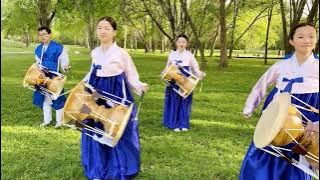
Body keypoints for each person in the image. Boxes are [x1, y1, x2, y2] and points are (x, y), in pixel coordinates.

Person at [239, 22, 319, 180]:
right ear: (291, 41)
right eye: (301, 36)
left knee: (303, 152)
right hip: (279, 107)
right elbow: (261, 84)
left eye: (311, 36)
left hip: (309, 108)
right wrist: (250, 106)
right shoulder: (281, 65)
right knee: (268, 146)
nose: (307, 40)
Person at [80, 16, 148, 179]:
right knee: (93, 126)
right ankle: (98, 168)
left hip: (116, 94)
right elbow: (92, 72)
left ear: (114, 32)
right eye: (99, 27)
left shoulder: (121, 53)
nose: (102, 31)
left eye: (106, 28)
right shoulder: (95, 52)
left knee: (116, 129)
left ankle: (119, 169)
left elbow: (131, 74)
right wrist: (82, 84)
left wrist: (139, 85)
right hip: (95, 94)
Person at [161, 34, 205, 132]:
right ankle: (174, 123)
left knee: (184, 100)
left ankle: (183, 123)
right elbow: (167, 66)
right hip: (173, 79)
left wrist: (199, 74)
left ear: (187, 44)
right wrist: (163, 73)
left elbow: (195, 67)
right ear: (176, 43)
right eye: (179, 41)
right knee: (174, 100)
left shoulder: (189, 54)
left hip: (185, 80)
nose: (181, 44)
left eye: (184, 42)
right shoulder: (172, 54)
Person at [33, 26, 70, 128]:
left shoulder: (58, 47)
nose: (42, 37)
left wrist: (65, 67)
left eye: (44, 34)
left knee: (57, 98)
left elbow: (64, 62)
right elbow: (38, 63)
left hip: (55, 77)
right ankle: (47, 120)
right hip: (42, 77)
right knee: (44, 98)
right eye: (40, 35)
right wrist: (38, 70)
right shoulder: (38, 49)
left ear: (49, 34)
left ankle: (59, 121)